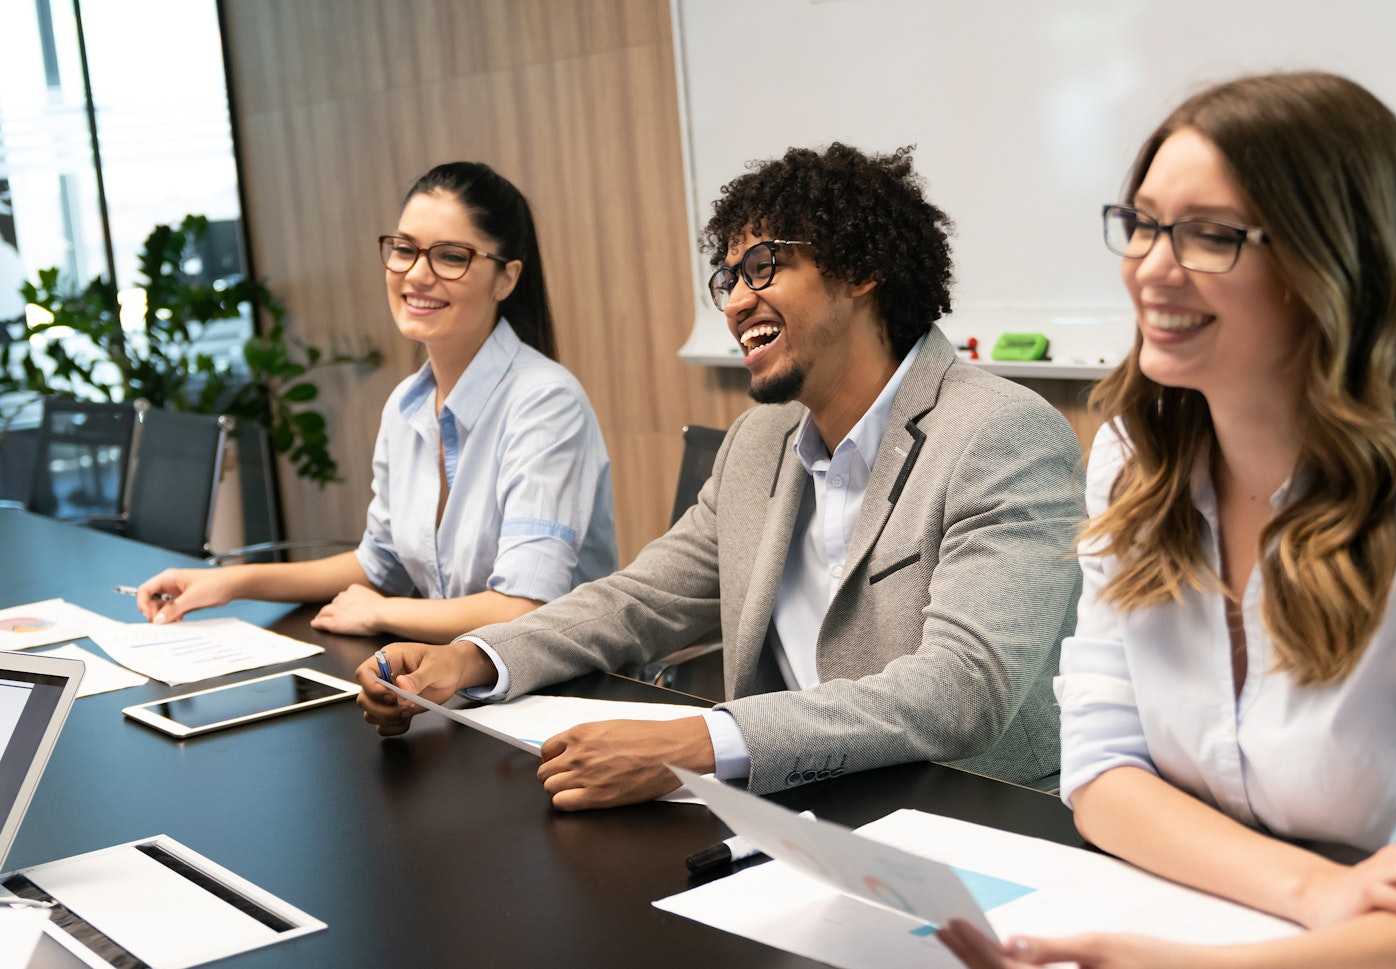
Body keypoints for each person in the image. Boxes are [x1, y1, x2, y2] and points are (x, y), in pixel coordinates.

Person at [357, 143, 1085, 810]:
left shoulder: (999, 434)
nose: (736, 302)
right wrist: (474, 657)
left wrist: (698, 745)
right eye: (728, 277)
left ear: (863, 268)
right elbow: (638, 601)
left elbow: (960, 690)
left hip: (974, 817)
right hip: (797, 812)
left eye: (763, 267)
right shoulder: (759, 442)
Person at [941, 72, 1396, 968]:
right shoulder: (1134, 462)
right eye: (1145, 223)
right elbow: (1102, 774)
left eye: (1211, 236)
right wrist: (1315, 888)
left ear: (1334, 262)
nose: (1152, 266)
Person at [135, 162, 617, 643]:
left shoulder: (545, 402)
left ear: (505, 279)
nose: (417, 275)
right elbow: (376, 566)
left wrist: (383, 614)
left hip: (565, 689)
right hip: (458, 676)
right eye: (405, 250)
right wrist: (231, 582)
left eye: (451, 257)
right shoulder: (407, 404)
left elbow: (522, 609)